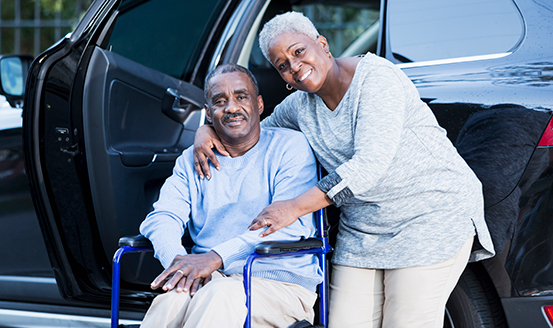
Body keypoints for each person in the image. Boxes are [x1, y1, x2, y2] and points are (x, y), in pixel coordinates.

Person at [192, 11, 496, 328]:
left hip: (428, 214)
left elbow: (368, 167)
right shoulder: (299, 106)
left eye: (298, 51)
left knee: (406, 322)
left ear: (322, 44)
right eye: (282, 65)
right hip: (364, 229)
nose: (294, 67)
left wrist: (293, 207)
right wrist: (207, 132)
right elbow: (255, 136)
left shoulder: (376, 78)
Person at [139, 63, 322, 328]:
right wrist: (180, 266)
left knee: (217, 296)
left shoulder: (290, 148)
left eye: (241, 97)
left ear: (259, 104)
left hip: (279, 285)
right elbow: (162, 217)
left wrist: (214, 258)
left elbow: (287, 227)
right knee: (173, 300)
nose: (232, 107)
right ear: (209, 114)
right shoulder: (191, 161)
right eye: (220, 101)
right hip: (214, 278)